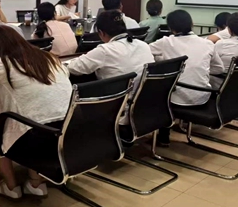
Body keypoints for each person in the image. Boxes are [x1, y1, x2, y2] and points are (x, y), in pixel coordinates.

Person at [0, 25, 72, 199]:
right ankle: (36, 183)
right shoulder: (49, 57)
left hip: (36, 138)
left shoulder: (5, 64)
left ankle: (11, 186)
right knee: (36, 118)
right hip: (67, 131)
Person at [67, 10, 154, 127]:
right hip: (144, 106)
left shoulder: (105, 50)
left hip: (117, 108)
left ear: (101, 32)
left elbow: (74, 68)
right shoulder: (143, 45)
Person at [149, 10, 224, 146]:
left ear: (170, 28)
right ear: (192, 24)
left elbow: (145, 52)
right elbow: (219, 69)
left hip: (177, 98)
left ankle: (163, 136)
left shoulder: (166, 42)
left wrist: (162, 59)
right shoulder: (207, 43)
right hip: (203, 96)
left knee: (155, 90)